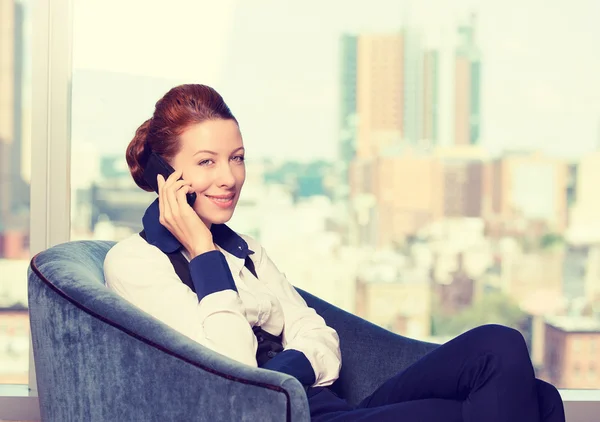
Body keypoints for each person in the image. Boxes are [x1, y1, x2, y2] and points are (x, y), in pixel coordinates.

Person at [103, 84, 565, 422]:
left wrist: (287, 369)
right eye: (207, 161)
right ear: (166, 175)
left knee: (504, 350)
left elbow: (322, 339)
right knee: (527, 407)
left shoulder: (244, 250)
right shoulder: (135, 264)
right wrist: (201, 252)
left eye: (237, 157)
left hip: (334, 408)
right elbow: (237, 379)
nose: (230, 177)